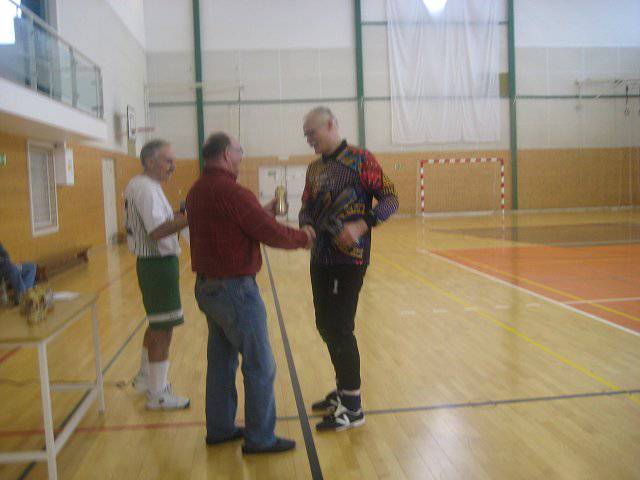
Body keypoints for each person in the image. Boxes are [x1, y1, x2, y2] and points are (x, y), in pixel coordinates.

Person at [186, 132, 315, 454]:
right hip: (235, 291)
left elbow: (234, 224)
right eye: (239, 151)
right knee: (260, 364)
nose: (241, 157)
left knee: (221, 362)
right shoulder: (233, 192)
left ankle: (220, 428)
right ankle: (260, 438)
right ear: (226, 153)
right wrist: (304, 238)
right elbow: (269, 232)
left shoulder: (197, 190)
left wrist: (261, 210)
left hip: (208, 288)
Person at [299, 106, 399, 431]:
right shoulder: (314, 169)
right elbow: (306, 206)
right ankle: (343, 390)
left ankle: (353, 407)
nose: (309, 140)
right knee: (325, 326)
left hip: (349, 260)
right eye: (306, 135)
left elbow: (390, 199)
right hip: (320, 258)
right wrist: (305, 225)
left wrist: (362, 224)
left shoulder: (361, 160)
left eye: (312, 133)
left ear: (330, 125)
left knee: (340, 327)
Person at [125, 140, 190, 410]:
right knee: (163, 329)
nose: (173, 166)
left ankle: (145, 378)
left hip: (153, 265)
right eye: (168, 161)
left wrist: (178, 216)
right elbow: (157, 231)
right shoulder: (146, 189)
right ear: (150, 162)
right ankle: (158, 394)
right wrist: (192, 217)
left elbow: (159, 222)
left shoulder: (142, 185)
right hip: (158, 265)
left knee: (156, 324)